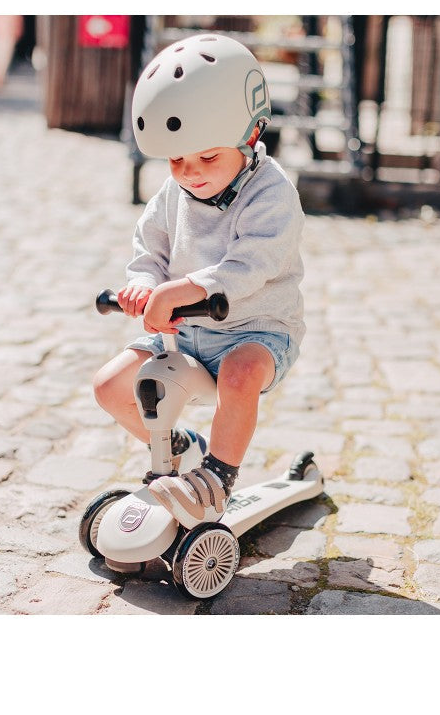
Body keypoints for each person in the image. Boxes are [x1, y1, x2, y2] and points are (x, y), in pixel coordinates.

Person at [94, 33, 306, 529]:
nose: (190, 173)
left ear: (250, 134)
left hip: (255, 331)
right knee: (109, 386)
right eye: (176, 161)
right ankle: (180, 450)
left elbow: (250, 264)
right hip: (183, 333)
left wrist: (185, 289)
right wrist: (143, 283)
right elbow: (150, 247)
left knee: (240, 375)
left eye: (207, 158)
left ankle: (215, 478)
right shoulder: (175, 191)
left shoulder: (272, 193)